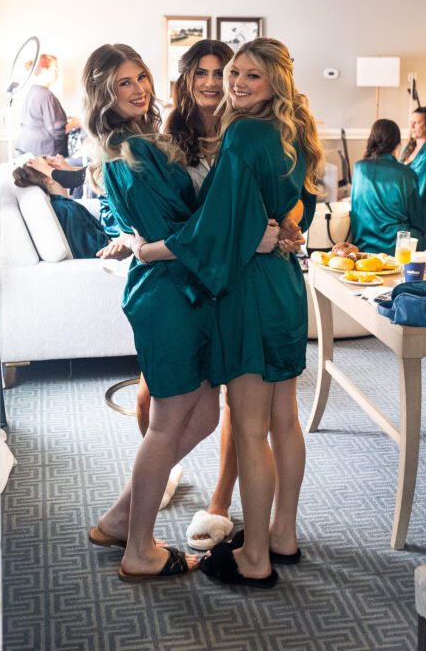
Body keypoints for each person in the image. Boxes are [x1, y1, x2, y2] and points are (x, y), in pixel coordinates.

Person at [81, 43, 280, 582]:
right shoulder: (130, 150)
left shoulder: (150, 140)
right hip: (171, 292)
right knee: (166, 425)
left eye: (140, 76)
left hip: (191, 290)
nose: (137, 88)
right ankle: (138, 549)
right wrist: (150, 245)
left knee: (207, 416)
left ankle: (122, 517)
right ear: (104, 93)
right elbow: (182, 230)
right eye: (123, 83)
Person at [131, 38, 322, 589]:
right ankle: (283, 534)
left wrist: (155, 249)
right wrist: (283, 228)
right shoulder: (296, 133)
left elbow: (219, 223)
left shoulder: (242, 133)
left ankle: (256, 556)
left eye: (249, 76)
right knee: (285, 419)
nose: (235, 83)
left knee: (253, 428)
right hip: (285, 286)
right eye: (232, 72)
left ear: (274, 83)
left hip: (248, 290)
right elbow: (298, 211)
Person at [349, 119, 426, 254]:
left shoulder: (358, 168)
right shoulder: (407, 174)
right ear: (397, 144)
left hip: (364, 245)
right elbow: (417, 222)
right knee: (423, 237)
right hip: (397, 247)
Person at [12, 159, 109, 258]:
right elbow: (98, 250)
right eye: (52, 162)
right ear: (49, 179)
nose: (58, 158)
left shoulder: (63, 206)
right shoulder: (68, 210)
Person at [15, 53, 79, 156]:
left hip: (26, 147)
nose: (58, 72)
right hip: (42, 151)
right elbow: (58, 131)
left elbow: (37, 120)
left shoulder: (32, 91)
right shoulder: (46, 96)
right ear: (43, 70)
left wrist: (61, 118)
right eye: (55, 69)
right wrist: (75, 123)